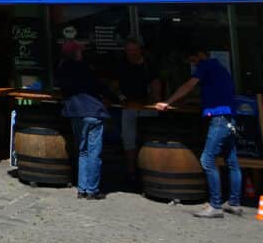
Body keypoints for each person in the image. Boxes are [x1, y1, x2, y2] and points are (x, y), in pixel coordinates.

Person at [157, 48, 243, 218]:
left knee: (207, 159)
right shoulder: (219, 68)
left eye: (193, 60)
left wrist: (167, 102)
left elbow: (188, 85)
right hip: (229, 117)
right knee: (232, 160)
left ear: (199, 55)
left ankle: (215, 205)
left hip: (218, 119)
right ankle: (234, 203)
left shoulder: (206, 65)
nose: (193, 64)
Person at [56, 40, 109, 200]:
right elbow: (99, 87)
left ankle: (82, 188)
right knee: (94, 152)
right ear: (76, 52)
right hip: (93, 111)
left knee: (83, 151)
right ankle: (92, 190)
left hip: (76, 112)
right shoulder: (85, 68)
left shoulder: (62, 68)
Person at [114, 39, 163, 181]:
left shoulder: (149, 65)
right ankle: (131, 172)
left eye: (134, 49)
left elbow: (156, 84)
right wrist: (120, 97)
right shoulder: (122, 65)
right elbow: (114, 84)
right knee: (129, 140)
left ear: (140, 50)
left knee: (148, 139)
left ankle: (148, 169)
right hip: (129, 106)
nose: (131, 53)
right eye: (129, 50)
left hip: (147, 106)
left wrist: (156, 100)